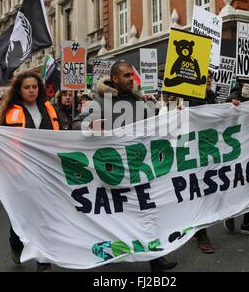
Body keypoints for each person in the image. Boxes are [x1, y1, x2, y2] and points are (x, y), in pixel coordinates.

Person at [72, 61, 177, 272]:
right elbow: (76, 123)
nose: (131, 79)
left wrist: (174, 111)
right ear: (115, 79)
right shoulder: (101, 102)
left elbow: (156, 124)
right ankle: (101, 255)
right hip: (114, 173)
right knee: (117, 217)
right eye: (126, 75)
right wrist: (92, 125)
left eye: (132, 75)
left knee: (148, 214)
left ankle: (156, 259)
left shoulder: (139, 100)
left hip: (139, 169)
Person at [0, 71, 61, 272]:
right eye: (27, 87)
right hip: (19, 172)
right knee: (22, 214)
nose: (32, 90)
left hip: (46, 170)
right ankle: (16, 244)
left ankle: (43, 261)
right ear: (19, 89)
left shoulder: (49, 107)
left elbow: (63, 133)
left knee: (44, 215)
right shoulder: (9, 111)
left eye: (34, 86)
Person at [224, 83, 249, 237]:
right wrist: (237, 98)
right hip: (238, 145)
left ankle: (247, 222)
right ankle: (231, 214)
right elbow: (231, 98)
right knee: (237, 183)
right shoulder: (238, 90)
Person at [184, 71, 216, 253]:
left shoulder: (212, 97)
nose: (210, 80)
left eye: (211, 77)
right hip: (191, 151)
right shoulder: (187, 99)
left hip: (209, 149)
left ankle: (199, 230)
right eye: (206, 78)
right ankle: (201, 233)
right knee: (197, 191)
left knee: (206, 190)